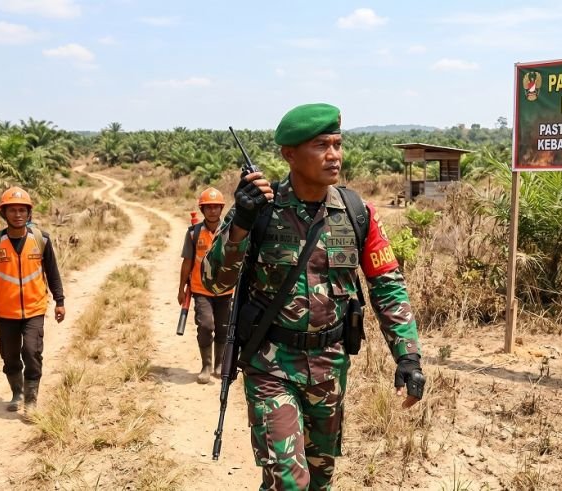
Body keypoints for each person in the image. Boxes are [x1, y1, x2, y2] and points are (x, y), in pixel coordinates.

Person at [202, 103, 425, 490]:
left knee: (319, 480)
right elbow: (216, 281)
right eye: (321, 144)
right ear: (289, 154)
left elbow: (387, 283)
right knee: (289, 482)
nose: (334, 155)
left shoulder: (357, 212)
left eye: (338, 144)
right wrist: (239, 224)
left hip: (330, 367)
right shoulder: (259, 209)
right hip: (270, 365)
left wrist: (407, 355)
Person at [0, 186, 66, 413]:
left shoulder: (41, 239)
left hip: (35, 308)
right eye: (12, 210)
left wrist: (60, 301)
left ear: (29, 213)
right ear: (4, 213)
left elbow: (52, 272)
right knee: (10, 355)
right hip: (5, 311)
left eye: (22, 210)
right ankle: (17, 392)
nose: (18, 214)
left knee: (32, 352)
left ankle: (31, 400)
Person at [178, 187, 233, 384]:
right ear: (202, 209)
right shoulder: (193, 233)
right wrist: (181, 288)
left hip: (225, 289)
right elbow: (187, 262)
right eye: (208, 207)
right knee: (206, 325)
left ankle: (219, 364)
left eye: (216, 207)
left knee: (223, 327)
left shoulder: (230, 232)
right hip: (200, 289)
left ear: (221, 209)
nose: (212, 211)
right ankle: (206, 366)